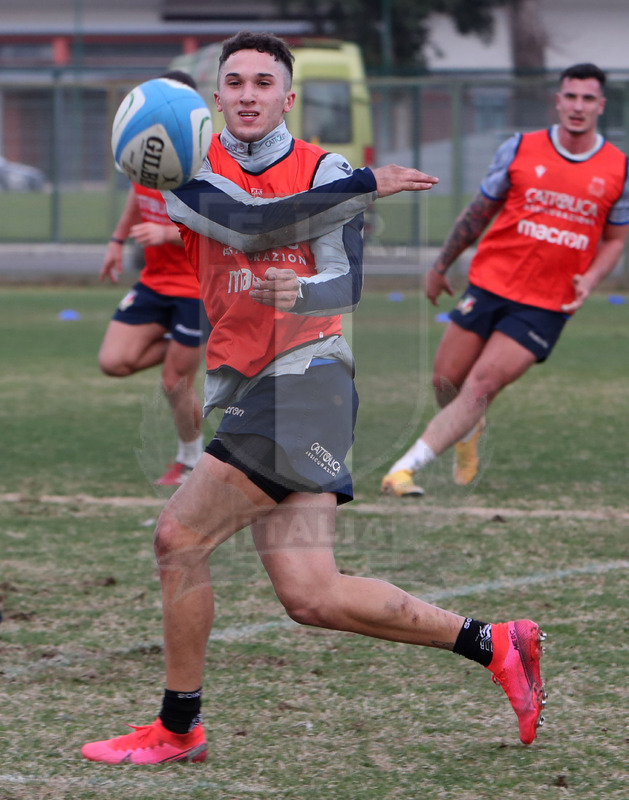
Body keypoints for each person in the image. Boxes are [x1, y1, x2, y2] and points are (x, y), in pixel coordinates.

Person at [81, 32, 546, 765]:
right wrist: (365, 184)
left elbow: (345, 282)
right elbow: (251, 224)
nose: (248, 94)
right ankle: (494, 642)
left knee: (179, 538)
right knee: (313, 594)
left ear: (287, 98)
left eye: (263, 82)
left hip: (306, 380)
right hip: (249, 388)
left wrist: (302, 289)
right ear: (214, 98)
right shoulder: (189, 175)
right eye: (235, 82)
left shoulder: (323, 167)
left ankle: (178, 728)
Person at [381, 62, 629, 497]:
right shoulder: (519, 148)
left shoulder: (618, 168)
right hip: (490, 282)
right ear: (558, 101)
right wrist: (440, 265)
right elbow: (478, 212)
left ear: (601, 106)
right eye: (571, 96)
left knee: (481, 385)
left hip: (548, 302)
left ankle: (403, 470)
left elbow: (615, 240)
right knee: (445, 381)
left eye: (588, 98)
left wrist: (590, 279)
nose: (578, 106)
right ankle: (468, 429)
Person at [98, 71, 207, 486]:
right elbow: (137, 194)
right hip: (155, 281)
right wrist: (116, 240)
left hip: (195, 288)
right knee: (113, 362)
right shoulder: (144, 148)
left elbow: (220, 229)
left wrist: (166, 233)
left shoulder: (202, 160)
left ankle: (191, 461)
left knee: (174, 383)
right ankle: (185, 345)